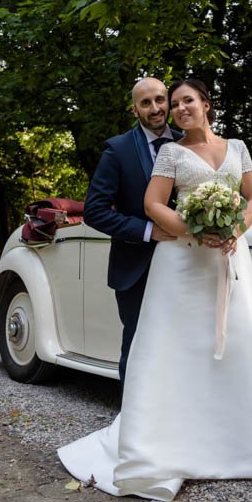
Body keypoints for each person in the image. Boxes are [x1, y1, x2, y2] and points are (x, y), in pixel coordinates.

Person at [58, 78, 252, 501]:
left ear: (205, 104)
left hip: (228, 259)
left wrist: (234, 226)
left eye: (176, 100)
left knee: (231, 344)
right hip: (166, 260)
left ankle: (233, 442)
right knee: (153, 351)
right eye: (152, 102)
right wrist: (190, 232)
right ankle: (145, 436)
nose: (166, 107)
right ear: (136, 109)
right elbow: (139, 206)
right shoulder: (139, 150)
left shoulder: (235, 148)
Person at [82, 77, 183, 382]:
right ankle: (133, 421)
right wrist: (147, 230)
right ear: (134, 110)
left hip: (187, 263)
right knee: (139, 344)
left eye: (160, 99)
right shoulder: (118, 149)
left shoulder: (189, 143)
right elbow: (94, 211)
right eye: (146, 103)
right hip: (136, 266)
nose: (155, 108)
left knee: (184, 344)